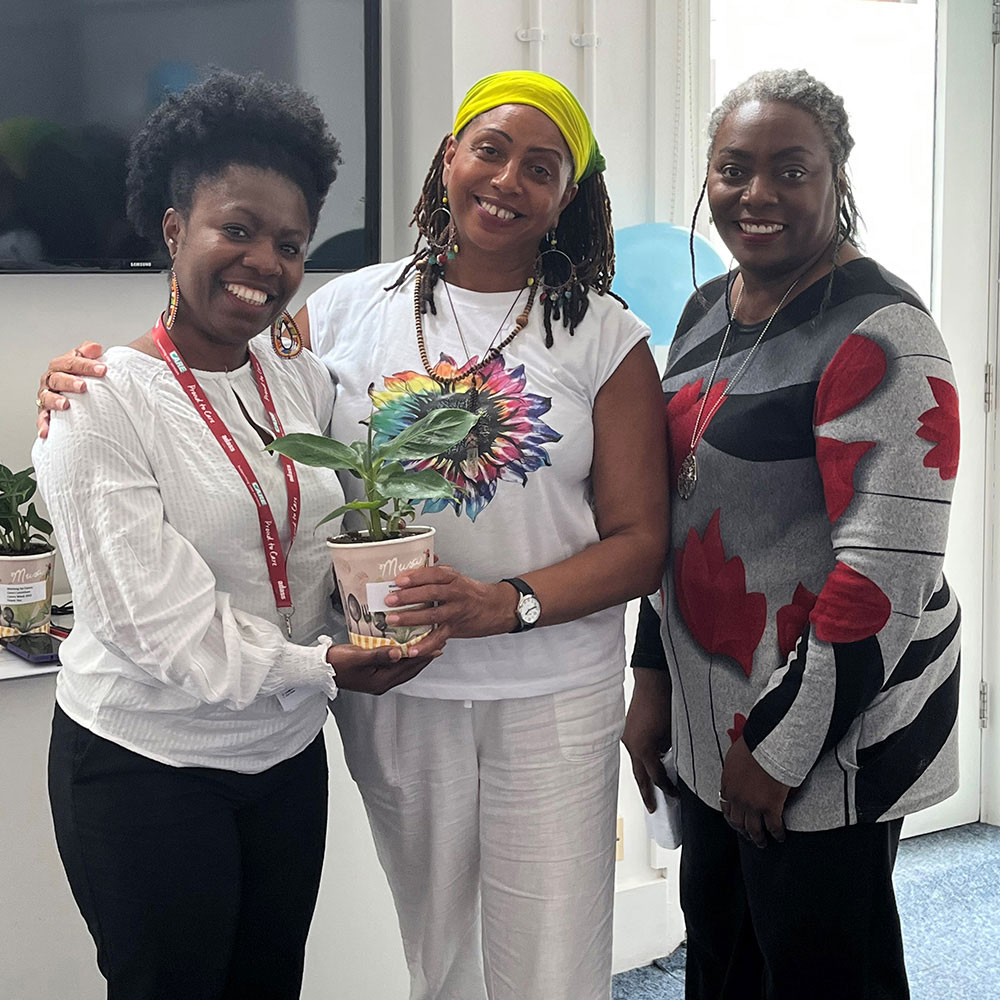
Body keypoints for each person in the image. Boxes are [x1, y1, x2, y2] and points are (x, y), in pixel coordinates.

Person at [38, 70, 670, 1000]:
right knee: (435, 943)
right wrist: (76, 378)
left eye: (541, 167)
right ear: (447, 157)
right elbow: (222, 381)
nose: (506, 180)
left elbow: (642, 539)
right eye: (488, 149)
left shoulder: (600, 333)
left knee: (552, 949)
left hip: (535, 691)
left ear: (567, 196)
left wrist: (504, 602)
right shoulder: (345, 309)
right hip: (384, 695)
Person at [32, 72, 444, 1000]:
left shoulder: (297, 384)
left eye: (290, 243)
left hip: (284, 760)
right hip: (148, 769)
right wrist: (329, 667)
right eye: (238, 229)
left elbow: (335, 531)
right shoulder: (99, 404)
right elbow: (155, 627)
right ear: (175, 230)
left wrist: (384, 605)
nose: (264, 260)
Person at [623, 69, 961, 1000]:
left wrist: (777, 747)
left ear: (836, 177)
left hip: (826, 734)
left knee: (823, 970)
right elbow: (683, 512)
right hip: (711, 717)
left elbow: (884, 571)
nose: (757, 195)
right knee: (725, 960)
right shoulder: (707, 312)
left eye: (791, 170)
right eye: (734, 169)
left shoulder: (883, 334)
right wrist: (652, 679)